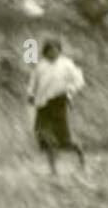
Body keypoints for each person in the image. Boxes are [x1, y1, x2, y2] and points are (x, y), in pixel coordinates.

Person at [27, 38, 86, 175]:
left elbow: (79, 80)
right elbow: (32, 82)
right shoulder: (40, 66)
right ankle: (53, 170)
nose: (52, 53)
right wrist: (30, 94)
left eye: (55, 50)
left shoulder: (67, 64)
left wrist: (70, 91)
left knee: (64, 140)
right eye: (49, 50)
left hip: (59, 103)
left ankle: (80, 153)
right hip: (42, 104)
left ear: (59, 51)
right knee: (45, 136)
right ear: (45, 52)